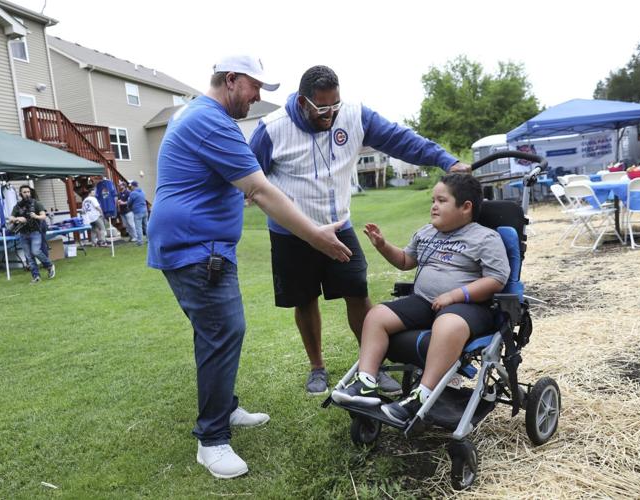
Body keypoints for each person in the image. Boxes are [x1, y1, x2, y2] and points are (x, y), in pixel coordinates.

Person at [147, 55, 352, 480]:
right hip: (195, 247)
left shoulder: (197, 113)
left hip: (205, 246)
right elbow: (259, 189)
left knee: (221, 331)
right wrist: (315, 235)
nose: (258, 97)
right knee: (222, 332)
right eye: (255, 87)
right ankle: (212, 440)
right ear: (231, 79)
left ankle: (225, 406)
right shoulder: (212, 121)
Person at [249, 65, 471, 395]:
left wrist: (445, 160)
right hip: (291, 234)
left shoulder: (354, 116)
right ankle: (317, 368)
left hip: (339, 225)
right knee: (305, 300)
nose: (330, 114)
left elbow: (400, 140)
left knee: (358, 292)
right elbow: (247, 178)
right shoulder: (271, 130)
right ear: (302, 102)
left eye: (335, 105)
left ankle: (373, 364)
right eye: (322, 108)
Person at [331, 174, 510, 426]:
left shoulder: (485, 238)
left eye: (441, 200)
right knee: (376, 315)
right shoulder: (427, 233)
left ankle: (421, 395)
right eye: (432, 200)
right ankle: (365, 383)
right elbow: (405, 261)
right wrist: (383, 246)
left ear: (466, 207)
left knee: (447, 325)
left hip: (469, 307)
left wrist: (455, 295)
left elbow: (496, 279)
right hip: (426, 302)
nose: (433, 206)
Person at [9, 185, 55, 283]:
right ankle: (36, 277)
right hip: (23, 234)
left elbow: (43, 216)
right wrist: (18, 219)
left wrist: (35, 216)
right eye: (24, 192)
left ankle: (49, 265)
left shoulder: (36, 203)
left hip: (35, 232)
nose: (27, 194)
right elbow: (10, 219)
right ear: (21, 194)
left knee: (36, 251)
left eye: (28, 192)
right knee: (29, 256)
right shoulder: (17, 206)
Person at [127, 181, 148, 246]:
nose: (130, 187)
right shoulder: (142, 192)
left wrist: (129, 207)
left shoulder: (133, 193)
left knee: (138, 227)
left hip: (137, 212)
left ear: (133, 186)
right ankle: (149, 240)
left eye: (131, 186)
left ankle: (140, 242)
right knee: (146, 226)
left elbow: (129, 202)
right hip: (145, 210)